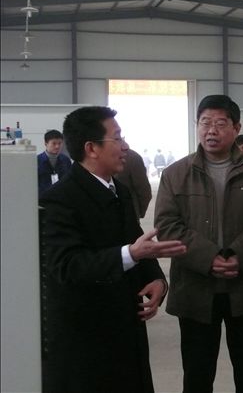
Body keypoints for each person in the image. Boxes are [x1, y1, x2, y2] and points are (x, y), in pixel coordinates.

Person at [39, 106, 186, 393]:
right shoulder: (60, 200)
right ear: (91, 148)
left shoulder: (119, 191)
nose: (125, 146)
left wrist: (156, 278)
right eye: (117, 138)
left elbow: (135, 241)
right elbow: (66, 265)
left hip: (126, 326)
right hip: (86, 338)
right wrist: (131, 254)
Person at [155, 95, 243, 393]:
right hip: (195, 290)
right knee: (197, 374)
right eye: (205, 123)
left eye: (220, 123)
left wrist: (238, 255)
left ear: (236, 128)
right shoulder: (175, 174)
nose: (211, 130)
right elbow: (167, 226)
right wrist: (209, 258)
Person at [116, 148, 152, 222]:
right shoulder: (132, 157)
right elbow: (144, 191)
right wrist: (138, 212)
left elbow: (144, 192)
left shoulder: (132, 157)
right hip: (128, 214)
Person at [37, 129, 72, 197]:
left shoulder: (66, 160)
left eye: (60, 143)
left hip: (62, 197)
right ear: (46, 143)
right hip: (43, 198)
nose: (57, 146)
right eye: (54, 143)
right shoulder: (37, 161)